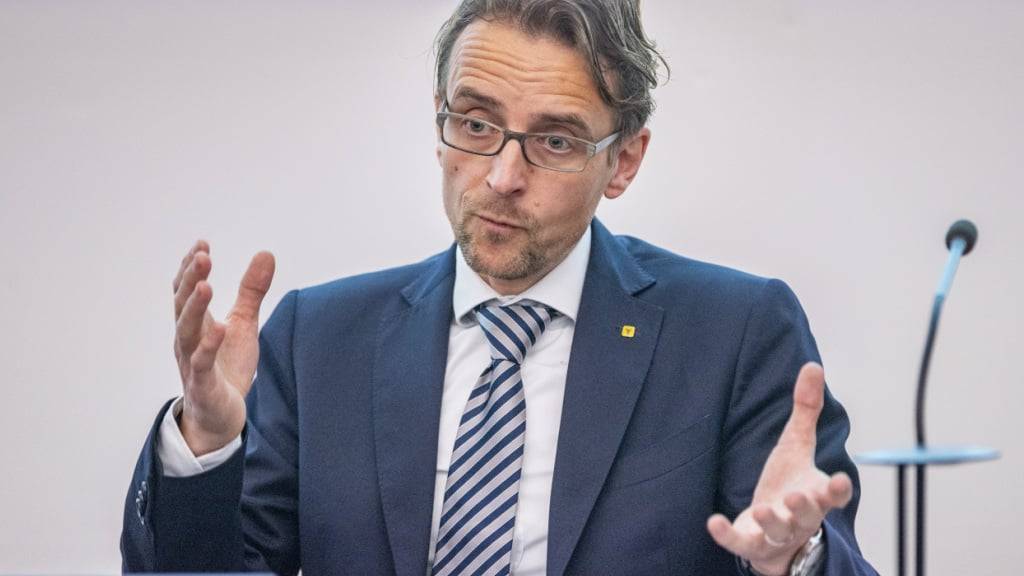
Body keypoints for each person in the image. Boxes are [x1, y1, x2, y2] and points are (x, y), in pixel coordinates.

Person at [121, 1, 878, 575]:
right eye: (476, 125)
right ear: (440, 122)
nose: (503, 177)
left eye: (555, 140)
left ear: (623, 161)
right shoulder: (317, 340)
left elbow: (814, 548)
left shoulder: (732, 334)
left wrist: (795, 559)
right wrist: (207, 446)